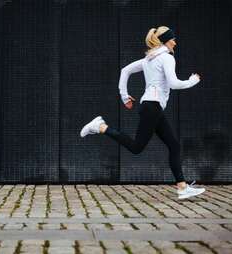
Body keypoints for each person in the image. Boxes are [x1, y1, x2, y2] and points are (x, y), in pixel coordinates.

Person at [80, 26, 205, 199]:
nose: (175, 42)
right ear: (165, 41)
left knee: (174, 146)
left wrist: (125, 96)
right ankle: (100, 126)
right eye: (172, 39)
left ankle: (182, 187)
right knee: (136, 147)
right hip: (152, 107)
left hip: (152, 107)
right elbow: (174, 83)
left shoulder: (149, 59)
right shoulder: (166, 58)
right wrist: (193, 80)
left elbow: (125, 70)